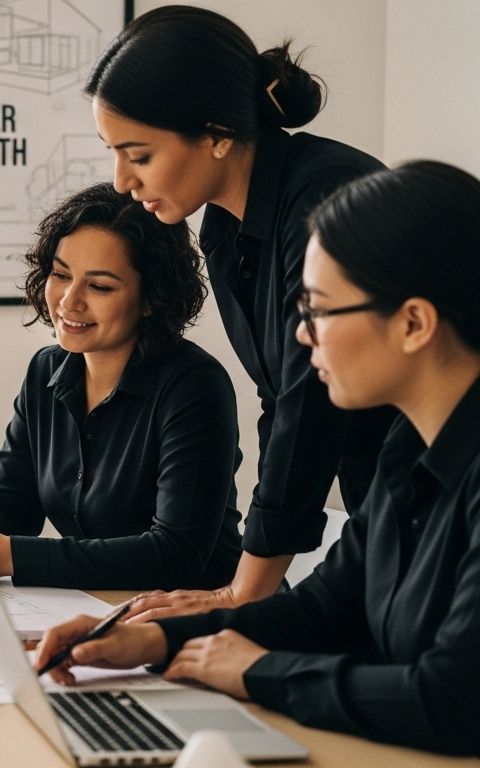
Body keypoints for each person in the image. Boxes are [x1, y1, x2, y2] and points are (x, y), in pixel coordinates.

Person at [35, 161, 480, 756]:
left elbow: (451, 699)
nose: (301, 334)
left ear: (414, 323)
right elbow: (321, 611)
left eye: (319, 310)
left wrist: (255, 673)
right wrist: (151, 640)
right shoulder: (407, 447)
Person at [85, 5, 396, 620]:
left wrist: (245, 593)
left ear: (218, 136)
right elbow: (280, 401)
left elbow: (309, 406)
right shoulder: (224, 226)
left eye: (139, 156)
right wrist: (252, 583)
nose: (121, 181)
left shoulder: (324, 200)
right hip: (383, 498)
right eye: (114, 153)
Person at [0, 183, 242, 590]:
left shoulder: (193, 385)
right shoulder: (45, 371)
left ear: (152, 297)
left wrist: (7, 555)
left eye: (99, 286)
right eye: (60, 274)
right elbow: (9, 500)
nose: (69, 301)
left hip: (203, 618)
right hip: (100, 608)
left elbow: (176, 554)